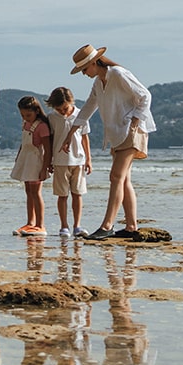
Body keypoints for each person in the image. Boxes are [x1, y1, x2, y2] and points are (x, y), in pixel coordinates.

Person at [68, 44, 156, 240]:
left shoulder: (117, 73)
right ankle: (131, 226)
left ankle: (107, 225)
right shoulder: (99, 83)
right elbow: (88, 108)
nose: (84, 74)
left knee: (116, 176)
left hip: (132, 131)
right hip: (117, 133)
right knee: (123, 179)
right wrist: (71, 133)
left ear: (93, 62)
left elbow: (145, 95)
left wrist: (135, 120)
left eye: (84, 69)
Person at [46, 86, 92, 238]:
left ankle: (77, 225)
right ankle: (64, 226)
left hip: (78, 160)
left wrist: (88, 159)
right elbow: (50, 140)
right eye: (59, 109)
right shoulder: (52, 117)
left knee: (78, 194)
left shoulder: (81, 115)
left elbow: (85, 137)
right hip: (59, 161)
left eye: (65, 108)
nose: (63, 111)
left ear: (71, 102)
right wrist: (49, 161)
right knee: (62, 195)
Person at [9, 96, 52, 236]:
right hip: (26, 159)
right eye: (23, 115)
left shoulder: (41, 126)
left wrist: (45, 167)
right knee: (28, 191)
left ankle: (40, 225)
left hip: (36, 161)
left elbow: (47, 149)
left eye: (28, 115)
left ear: (37, 111)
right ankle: (30, 222)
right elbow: (23, 143)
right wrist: (18, 156)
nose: (26, 118)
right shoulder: (25, 124)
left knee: (36, 192)